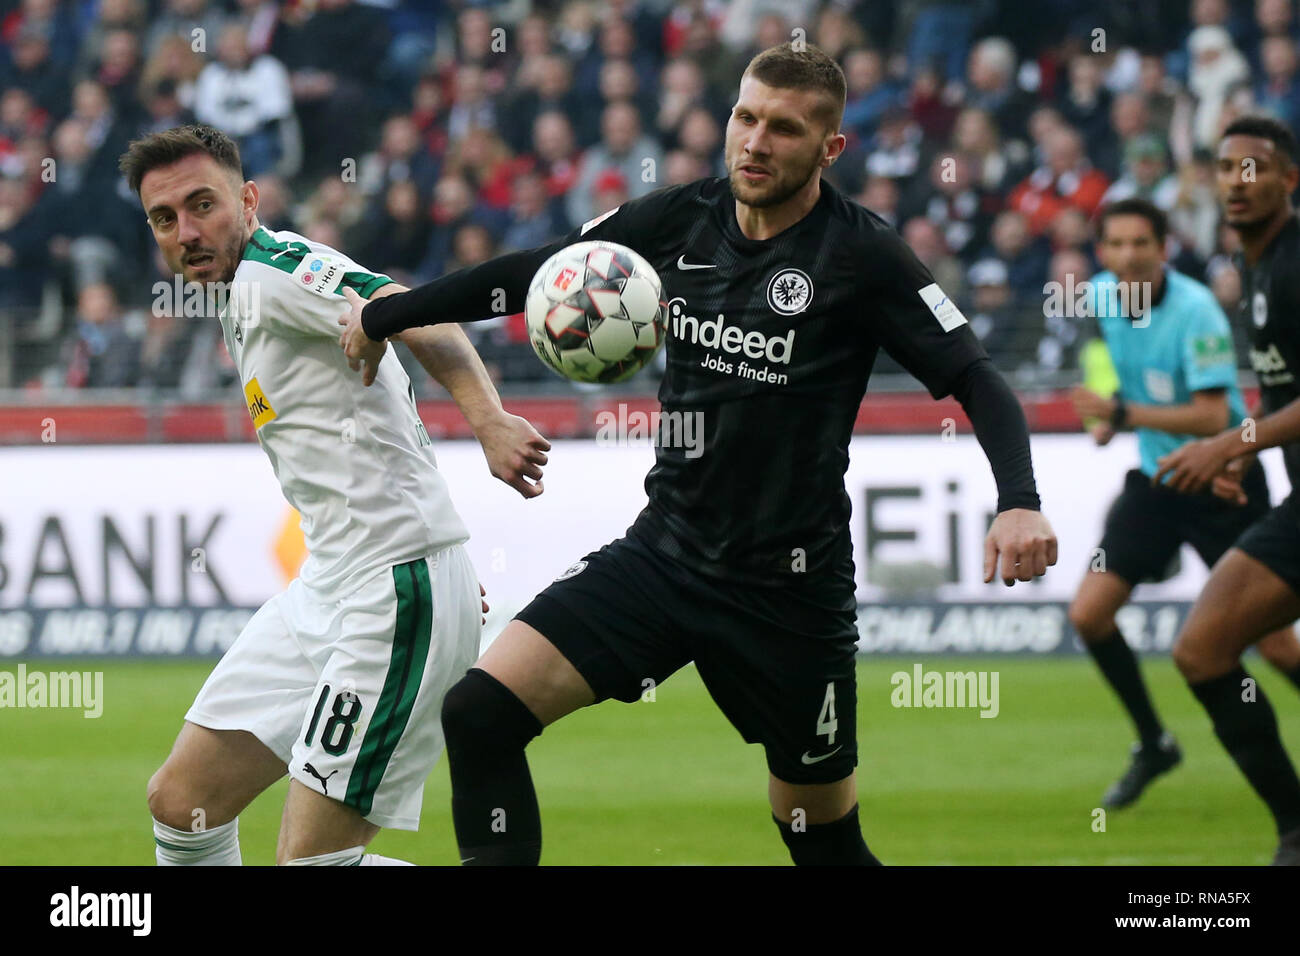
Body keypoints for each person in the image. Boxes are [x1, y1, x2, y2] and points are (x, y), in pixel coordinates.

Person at [341, 43, 1057, 866]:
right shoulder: (679, 218)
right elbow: (535, 275)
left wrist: (1019, 498)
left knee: (819, 839)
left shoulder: (863, 256)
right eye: (745, 117)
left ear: (831, 148)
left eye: (784, 129)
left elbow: (977, 378)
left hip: (789, 592)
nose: (755, 142)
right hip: (666, 555)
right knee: (478, 714)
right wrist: (389, 311)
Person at [119, 124, 549, 865]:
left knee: (310, 863)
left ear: (248, 200)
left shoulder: (274, 271)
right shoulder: (235, 295)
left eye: (202, 205)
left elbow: (410, 308)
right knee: (183, 803)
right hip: (335, 580)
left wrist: (488, 422)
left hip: (391, 590)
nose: (186, 232)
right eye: (165, 218)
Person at [1069, 197, 1300, 811]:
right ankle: (1155, 743)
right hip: (1156, 482)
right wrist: (1105, 403)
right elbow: (1102, 367)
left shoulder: (1197, 309)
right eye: (1114, 245)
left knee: (1275, 645)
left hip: (1223, 477)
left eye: (1139, 243)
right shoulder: (1098, 296)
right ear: (1102, 253)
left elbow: (1207, 415)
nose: (1127, 256)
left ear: (1163, 246)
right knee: (1089, 614)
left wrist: (1123, 413)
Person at [1154, 115, 1300, 865]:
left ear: (1289, 181)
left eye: (1256, 168)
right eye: (1225, 168)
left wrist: (1229, 442)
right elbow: (1284, 391)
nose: (1237, 183)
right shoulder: (1257, 267)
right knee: (1203, 651)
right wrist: (1251, 448)